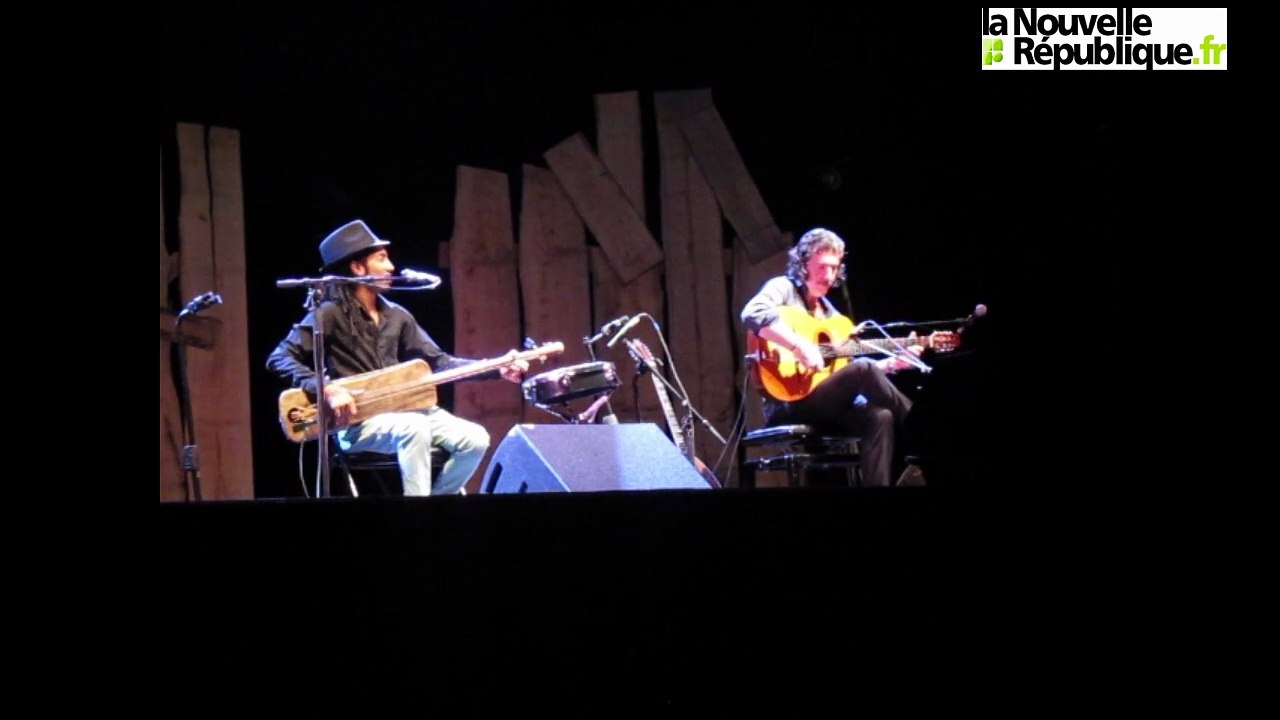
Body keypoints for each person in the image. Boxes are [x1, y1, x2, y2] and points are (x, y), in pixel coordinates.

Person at [266, 219, 527, 496]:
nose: (391, 267)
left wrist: (497, 368)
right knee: (413, 427)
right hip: (358, 423)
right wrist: (327, 388)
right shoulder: (328, 314)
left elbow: (439, 362)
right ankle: (417, 518)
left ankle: (436, 504)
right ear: (357, 267)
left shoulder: (397, 315)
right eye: (381, 259)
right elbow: (279, 358)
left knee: (475, 439)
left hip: (406, 410)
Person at [740, 227, 917, 487]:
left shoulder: (832, 315)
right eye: (822, 267)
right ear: (803, 263)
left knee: (880, 416)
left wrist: (889, 365)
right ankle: (919, 426)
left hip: (826, 405)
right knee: (865, 369)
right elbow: (752, 313)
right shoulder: (783, 289)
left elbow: (840, 372)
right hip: (787, 403)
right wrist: (799, 346)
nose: (829, 276)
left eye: (834, 268)